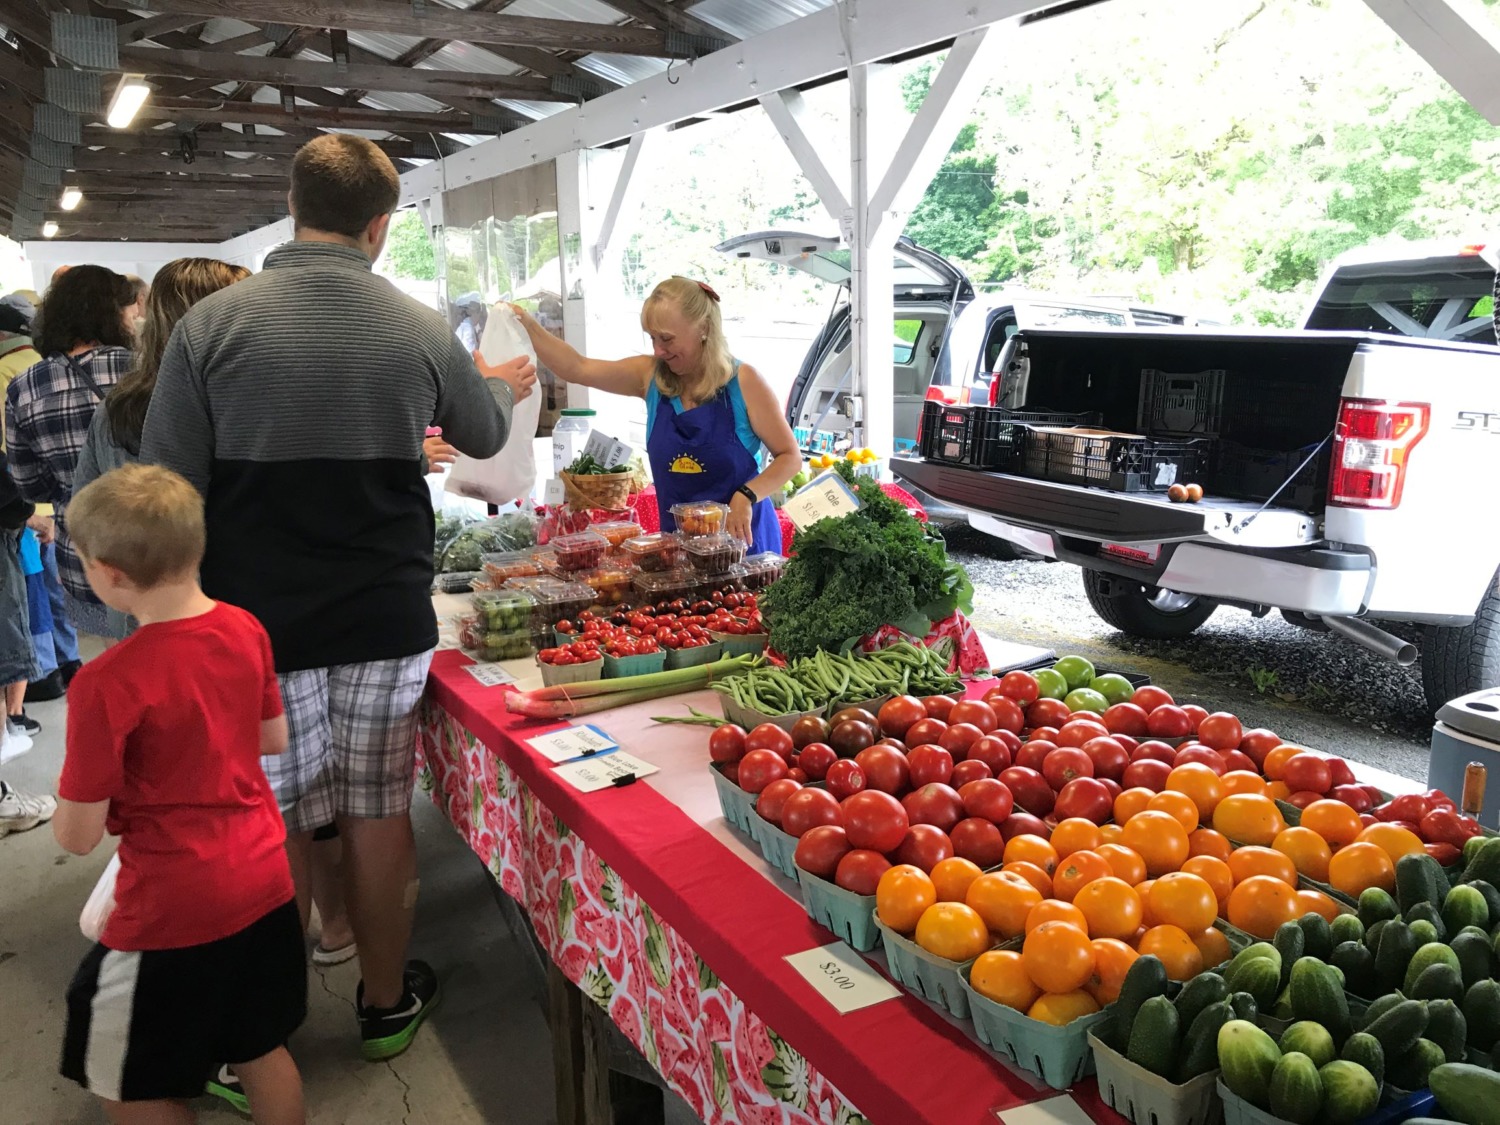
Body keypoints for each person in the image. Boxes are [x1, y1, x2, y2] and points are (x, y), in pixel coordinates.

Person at [141, 133, 536, 1061]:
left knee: (266, 818)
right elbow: (481, 431)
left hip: (252, 625)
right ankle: (385, 1002)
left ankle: (263, 1036)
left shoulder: (211, 327)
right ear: (381, 225)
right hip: (382, 614)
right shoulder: (416, 323)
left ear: (292, 205)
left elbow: (167, 480)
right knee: (376, 810)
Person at [53, 464, 305, 1124]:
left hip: (170, 905)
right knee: (260, 1046)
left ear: (107, 574)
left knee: (129, 1077)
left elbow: (76, 836)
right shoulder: (245, 627)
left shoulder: (105, 682)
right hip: (265, 878)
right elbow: (272, 738)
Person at [501, 276, 801, 552]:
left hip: (745, 551)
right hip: (680, 554)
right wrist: (527, 323)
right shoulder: (650, 377)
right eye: (652, 338)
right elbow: (577, 368)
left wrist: (746, 496)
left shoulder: (744, 382)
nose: (658, 350)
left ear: (704, 329)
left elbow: (790, 457)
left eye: (667, 339)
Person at [74, 257, 251, 639]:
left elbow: (86, 507)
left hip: (148, 617)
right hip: (242, 614)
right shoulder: (252, 403)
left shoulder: (118, 409)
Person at [6, 265, 135, 642]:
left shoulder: (23, 386)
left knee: (111, 670)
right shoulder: (143, 367)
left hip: (83, 555)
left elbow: (31, 487)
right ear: (112, 313)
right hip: (158, 545)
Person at [0, 294, 73, 701]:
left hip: (23, 506)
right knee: (53, 595)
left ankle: (42, 676)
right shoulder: (46, 366)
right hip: (56, 504)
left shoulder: (5, 372)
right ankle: (66, 664)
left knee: (29, 597)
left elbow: (7, 450)